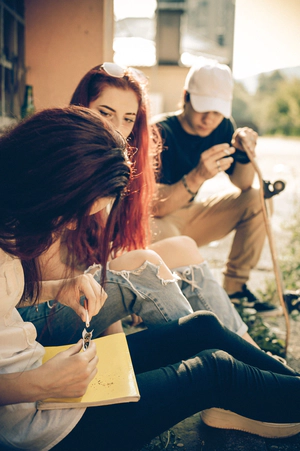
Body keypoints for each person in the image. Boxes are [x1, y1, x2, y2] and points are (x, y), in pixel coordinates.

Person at [1, 106, 300, 451]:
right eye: (75, 211)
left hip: (41, 369)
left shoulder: (11, 217)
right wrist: (37, 384)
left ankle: (286, 386)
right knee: (214, 372)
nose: (72, 224)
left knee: (199, 327)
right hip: (39, 425)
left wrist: (58, 288)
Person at [18, 62, 254, 347]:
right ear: (81, 106)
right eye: (105, 113)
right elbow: (54, 278)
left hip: (84, 289)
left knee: (183, 247)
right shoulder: (63, 162)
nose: (116, 128)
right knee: (145, 265)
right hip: (41, 309)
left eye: (128, 119)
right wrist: (116, 335)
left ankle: (250, 354)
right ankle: (218, 364)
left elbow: (103, 259)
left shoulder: (110, 164)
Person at [152, 57, 277, 313]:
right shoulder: (157, 131)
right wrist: (197, 177)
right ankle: (157, 294)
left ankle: (235, 289)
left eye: (218, 111)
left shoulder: (223, 127)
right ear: (185, 97)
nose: (210, 119)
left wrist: (245, 153)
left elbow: (243, 184)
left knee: (259, 199)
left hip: (190, 216)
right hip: (154, 223)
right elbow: (153, 206)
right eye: (203, 108)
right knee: (165, 238)